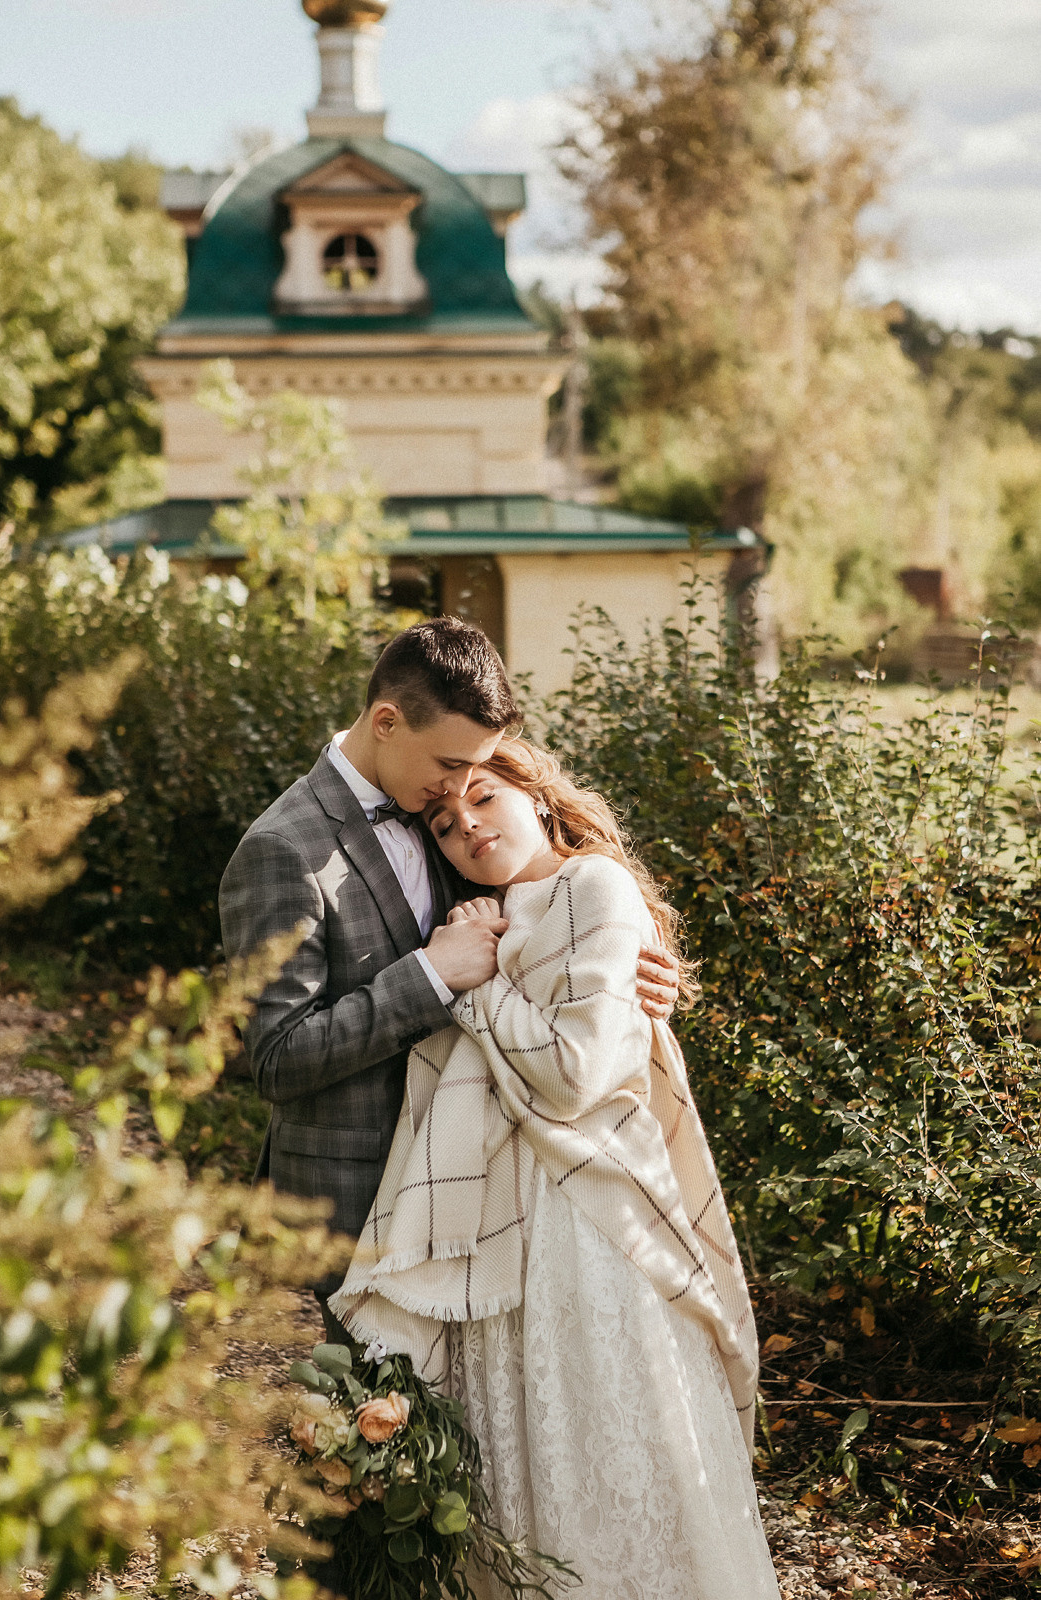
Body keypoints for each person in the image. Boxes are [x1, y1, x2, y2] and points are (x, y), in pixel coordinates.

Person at [331, 738, 779, 1600]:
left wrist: (475, 979)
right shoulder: (487, 915)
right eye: (443, 820)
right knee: (526, 1448)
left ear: (535, 795)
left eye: (483, 799)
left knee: (608, 1428)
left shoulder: (592, 887)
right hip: (501, 1220)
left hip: (588, 1214)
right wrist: (471, 952)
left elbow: (574, 1076)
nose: (465, 825)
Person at [219, 619, 680, 1331]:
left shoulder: (445, 810)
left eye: (479, 769)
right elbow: (276, 1059)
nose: (462, 786)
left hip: (485, 1195)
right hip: (350, 1206)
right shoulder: (283, 849)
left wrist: (626, 979)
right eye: (451, 762)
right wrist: (429, 976)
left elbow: (537, 927)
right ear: (386, 721)